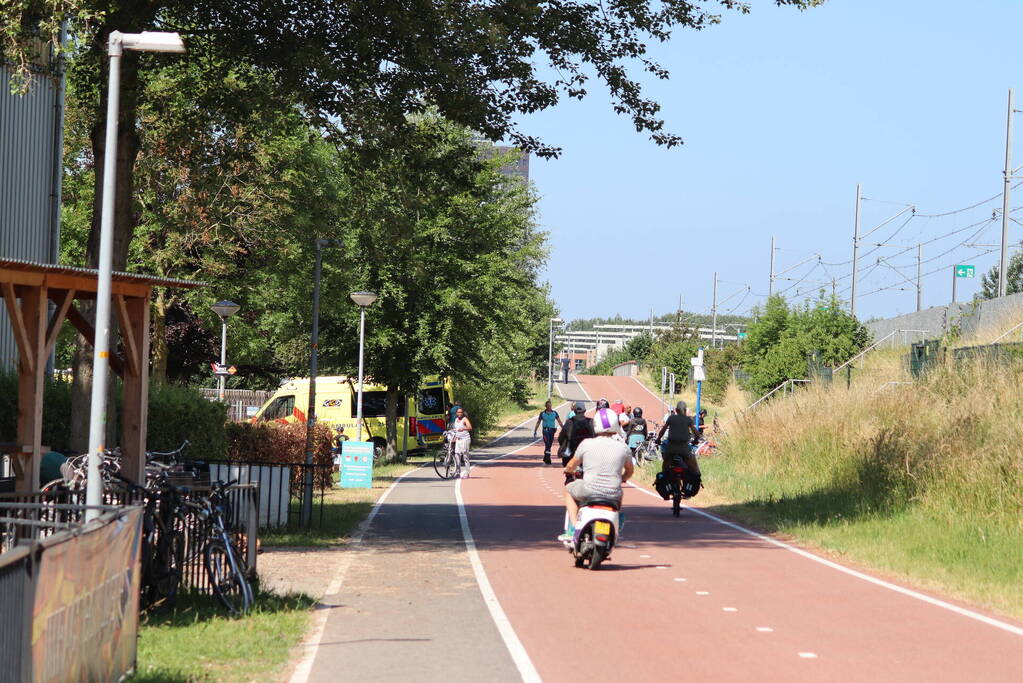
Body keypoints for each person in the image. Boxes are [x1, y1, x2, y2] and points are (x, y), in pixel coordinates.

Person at [559, 406, 635, 541]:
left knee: (568, 491)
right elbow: (630, 470)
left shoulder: (587, 443)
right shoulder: (623, 447)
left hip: (589, 490)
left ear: (595, 425)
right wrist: (623, 478)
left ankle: (574, 528)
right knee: (619, 492)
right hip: (613, 493)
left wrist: (568, 470)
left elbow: (571, 465)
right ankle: (617, 517)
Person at [656, 400, 701, 477]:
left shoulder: (671, 418)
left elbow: (663, 430)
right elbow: (697, 433)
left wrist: (658, 439)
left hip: (672, 447)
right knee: (693, 467)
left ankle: (664, 478)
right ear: (685, 410)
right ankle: (697, 479)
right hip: (684, 448)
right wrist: (695, 440)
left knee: (665, 465)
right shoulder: (688, 419)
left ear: (676, 410)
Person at [533, 400, 565, 464]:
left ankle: (545, 457)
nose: (549, 407)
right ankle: (548, 459)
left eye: (550, 406)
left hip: (552, 431)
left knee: (549, 445)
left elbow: (559, 421)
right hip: (545, 431)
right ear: (546, 406)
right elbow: (538, 422)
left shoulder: (555, 413)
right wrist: (535, 430)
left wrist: (564, 429)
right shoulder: (542, 413)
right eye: (548, 406)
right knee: (547, 444)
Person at [451, 406, 473, 478]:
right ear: (456, 413)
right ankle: (458, 472)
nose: (460, 413)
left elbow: (470, 427)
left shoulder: (464, 419)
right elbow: (455, 430)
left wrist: (463, 428)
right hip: (458, 440)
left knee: (465, 456)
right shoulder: (456, 420)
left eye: (461, 412)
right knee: (457, 455)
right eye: (458, 412)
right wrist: (454, 437)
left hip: (465, 439)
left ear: (462, 413)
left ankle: (467, 473)